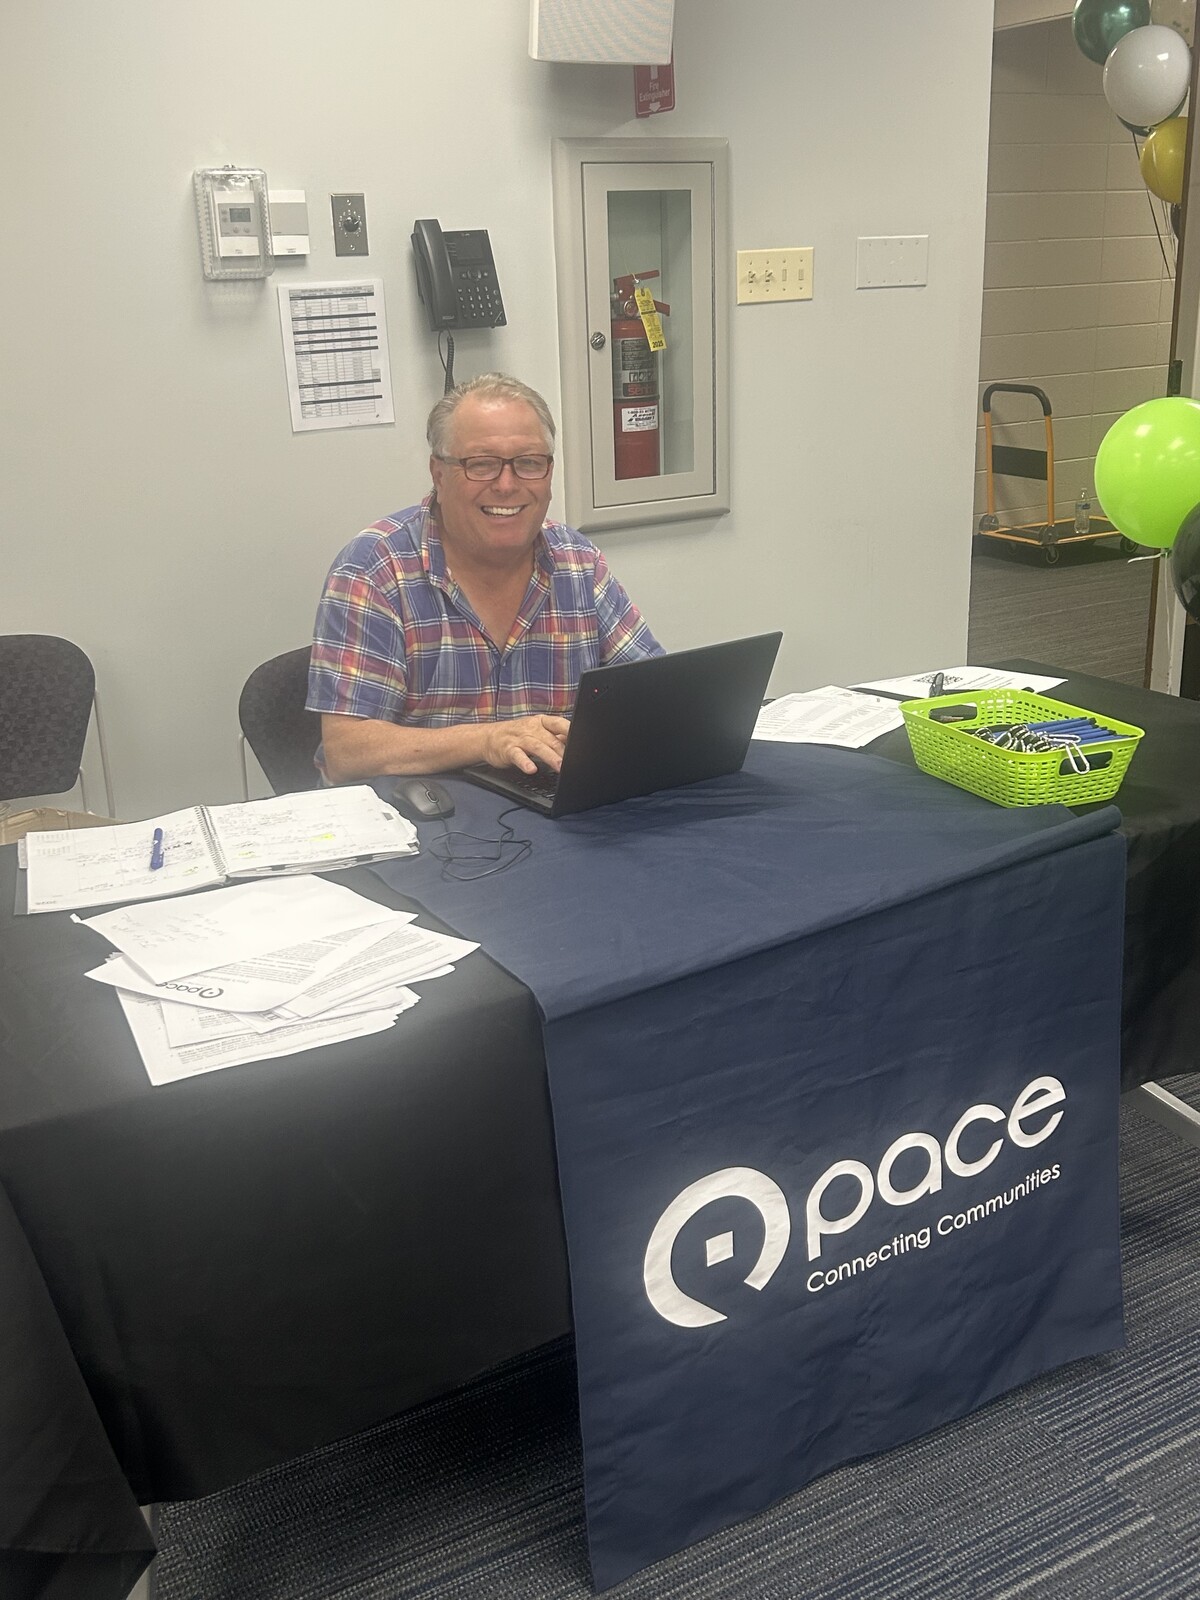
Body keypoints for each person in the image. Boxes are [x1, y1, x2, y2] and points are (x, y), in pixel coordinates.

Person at [308, 373, 661, 782]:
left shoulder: (578, 562)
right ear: (439, 474)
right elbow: (348, 752)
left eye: (528, 463)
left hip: (548, 801)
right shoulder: (374, 570)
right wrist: (489, 740)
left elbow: (655, 698)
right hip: (422, 810)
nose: (507, 486)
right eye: (481, 465)